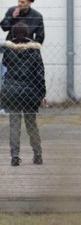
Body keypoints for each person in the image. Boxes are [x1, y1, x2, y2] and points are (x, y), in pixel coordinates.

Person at [0, 22, 46, 166]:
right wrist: (42, 93)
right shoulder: (34, 50)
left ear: (13, 34)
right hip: (30, 91)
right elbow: (39, 73)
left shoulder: (8, 50)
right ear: (28, 33)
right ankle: (37, 155)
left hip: (12, 91)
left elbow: (6, 65)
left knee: (14, 124)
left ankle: (15, 156)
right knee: (31, 124)